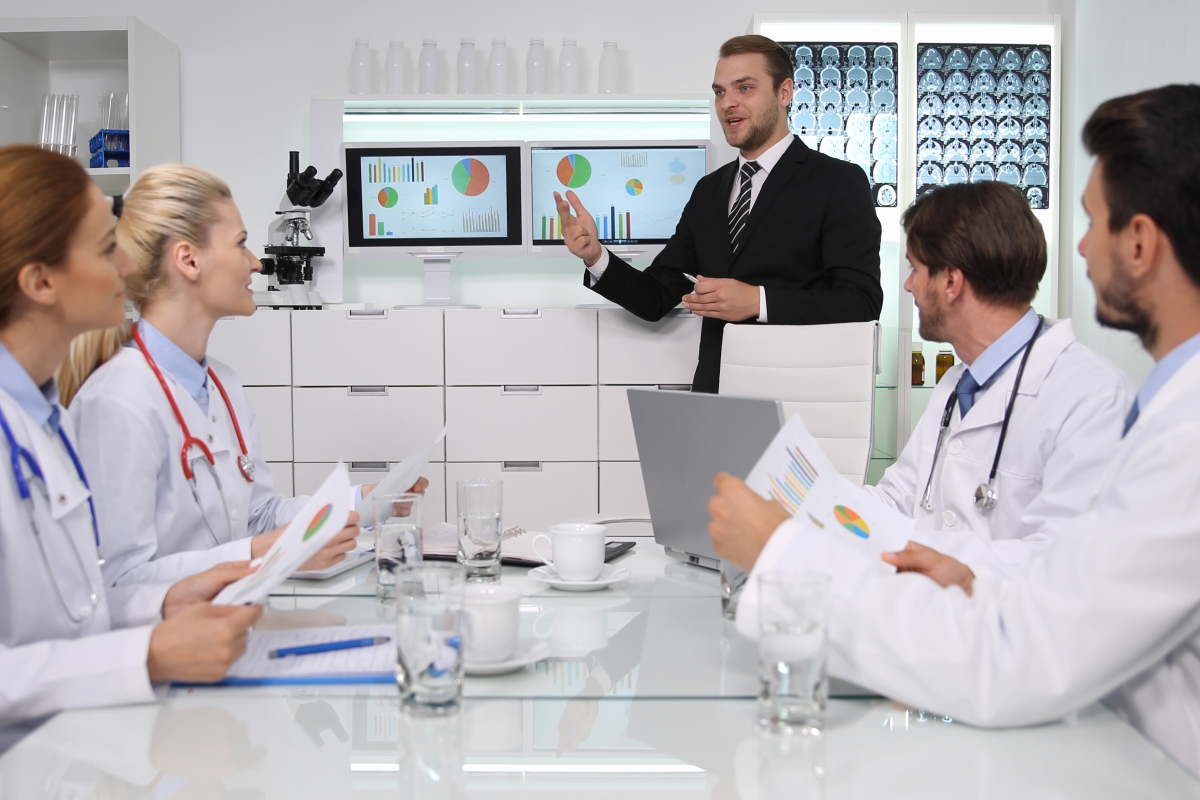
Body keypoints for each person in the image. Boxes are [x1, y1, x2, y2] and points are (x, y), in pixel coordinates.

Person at [707, 85, 1200, 776]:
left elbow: (1023, 652)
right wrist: (822, 512)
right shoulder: (961, 387)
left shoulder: (1153, 422)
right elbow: (1063, 581)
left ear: (1142, 242)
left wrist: (787, 554)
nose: (1081, 248)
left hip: (1119, 753)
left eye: (1093, 222)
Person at [0, 146, 261, 750]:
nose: (127, 260)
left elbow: (76, 611)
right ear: (40, 281)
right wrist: (144, 651)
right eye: (103, 246)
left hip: (74, 749)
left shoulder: (46, 420)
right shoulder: (101, 402)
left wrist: (162, 600)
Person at [60, 165, 423, 588]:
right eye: (241, 244)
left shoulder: (222, 384)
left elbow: (259, 516)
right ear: (189, 260)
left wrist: (367, 500)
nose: (256, 263)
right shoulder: (117, 400)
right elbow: (117, 583)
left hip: (230, 622)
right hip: (162, 643)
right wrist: (258, 553)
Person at [554, 35, 883, 393]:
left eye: (744, 87)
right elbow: (656, 297)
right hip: (717, 394)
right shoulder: (709, 191)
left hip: (802, 396)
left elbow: (860, 301)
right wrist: (595, 256)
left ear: (784, 92)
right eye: (720, 92)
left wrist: (757, 301)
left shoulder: (837, 181)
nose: (728, 103)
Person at [866, 182, 1133, 566]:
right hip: (935, 611)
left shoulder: (1094, 398)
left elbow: (1066, 560)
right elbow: (898, 497)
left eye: (915, 269)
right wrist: (807, 505)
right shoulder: (957, 385)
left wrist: (937, 559)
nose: (908, 285)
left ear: (951, 282)